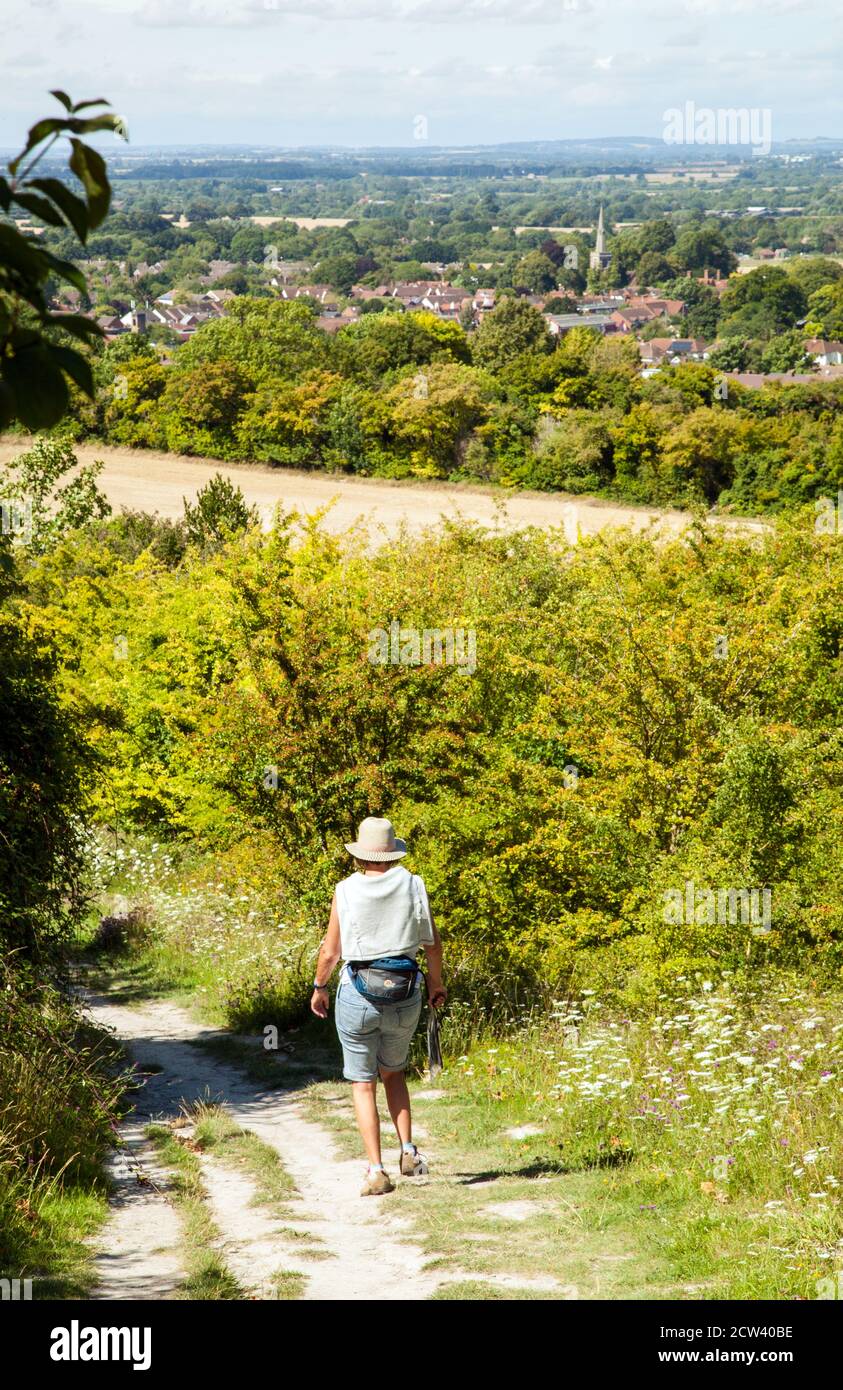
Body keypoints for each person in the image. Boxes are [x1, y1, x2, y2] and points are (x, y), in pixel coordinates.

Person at [310, 816, 446, 1196]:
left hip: (358, 992)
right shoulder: (414, 884)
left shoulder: (345, 890)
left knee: (362, 1083)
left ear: (361, 854)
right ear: (392, 852)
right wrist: (436, 983)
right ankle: (408, 1152)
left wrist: (320, 986)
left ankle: (375, 1171)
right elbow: (431, 943)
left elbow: (331, 950)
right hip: (405, 993)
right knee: (394, 1073)